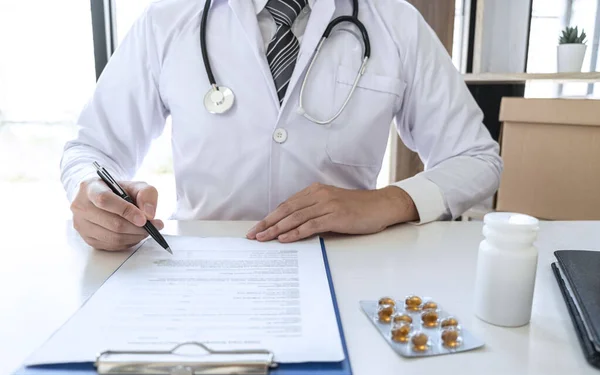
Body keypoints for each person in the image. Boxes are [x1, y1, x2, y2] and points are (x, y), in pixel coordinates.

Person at [61, 0, 502, 251]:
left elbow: (478, 159)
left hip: (348, 266)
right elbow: (91, 150)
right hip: (204, 269)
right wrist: (94, 193)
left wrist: (389, 201)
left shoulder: (395, 21)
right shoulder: (168, 21)